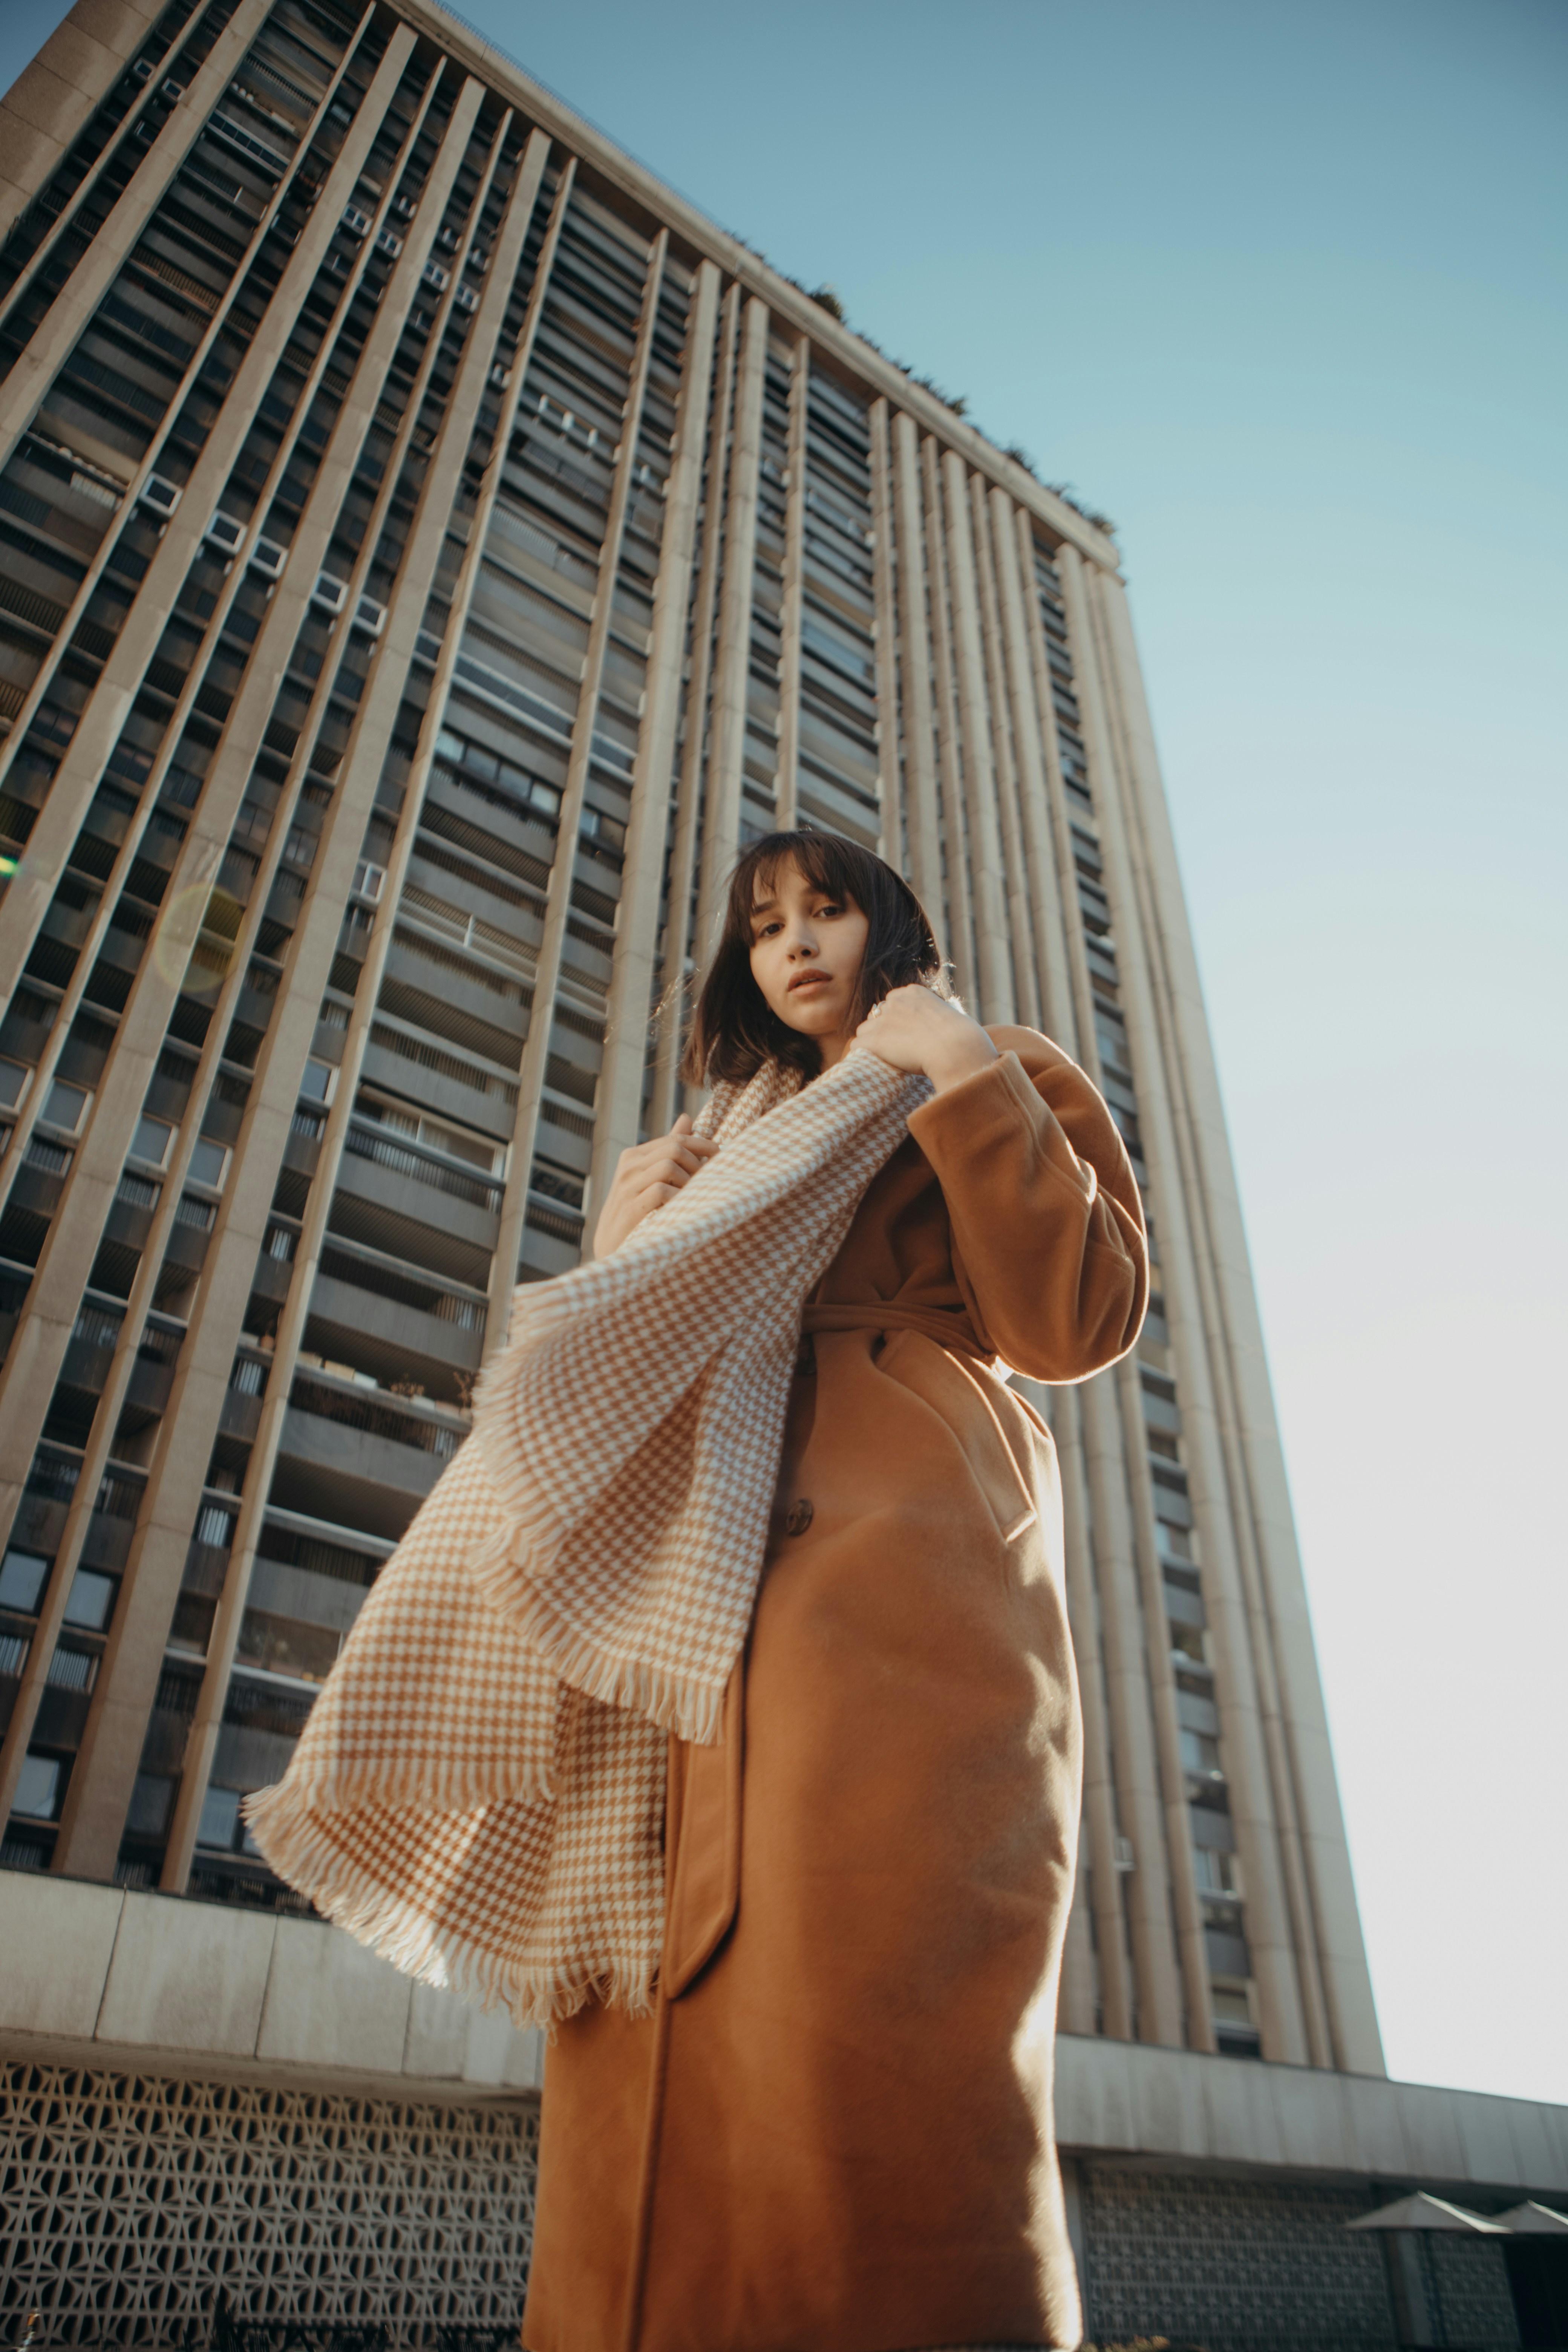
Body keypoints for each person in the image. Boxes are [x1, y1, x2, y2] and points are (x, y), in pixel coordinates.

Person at [521, 829, 1147, 2352]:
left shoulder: (989, 1064)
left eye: (827, 909)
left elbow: (1076, 1318)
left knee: (870, 1976)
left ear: (891, 929)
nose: (794, 943)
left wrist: (960, 1072)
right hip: (691, 1577)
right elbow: (599, 1395)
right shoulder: (709, 1141)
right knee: (645, 1981)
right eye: (763, 925)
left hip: (898, 1568)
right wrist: (620, 1247)